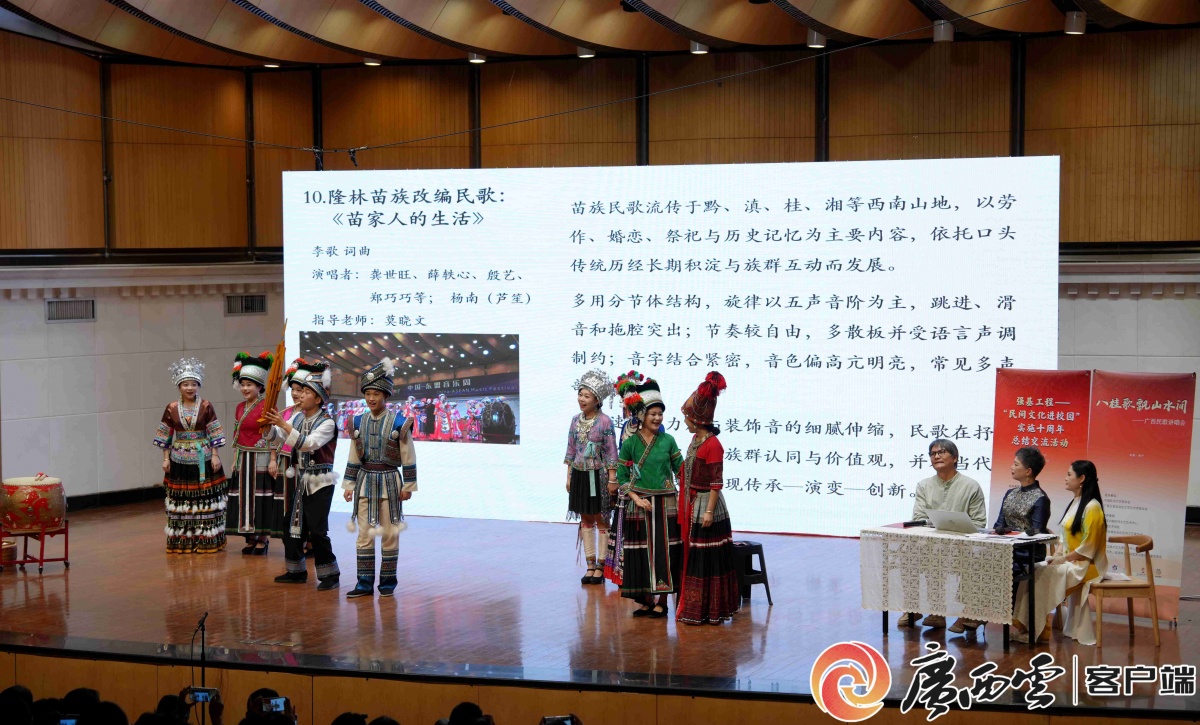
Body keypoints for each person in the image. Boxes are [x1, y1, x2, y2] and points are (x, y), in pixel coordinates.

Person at [946, 446, 1053, 635]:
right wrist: (999, 531)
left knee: (991, 567)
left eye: (1016, 464)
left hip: (1026, 553)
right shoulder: (1010, 494)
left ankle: (977, 614)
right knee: (971, 562)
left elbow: (1036, 532)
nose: (1012, 467)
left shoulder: (1041, 499)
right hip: (1004, 549)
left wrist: (1009, 533)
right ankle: (970, 611)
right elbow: (999, 524)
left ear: (1028, 471)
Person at [342, 358, 418, 599]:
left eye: (376, 394)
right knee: (364, 534)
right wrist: (348, 485)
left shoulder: (399, 422)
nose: (371, 398)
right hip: (365, 481)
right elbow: (354, 454)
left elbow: (408, 454)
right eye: (368, 394)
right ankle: (364, 583)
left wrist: (408, 486)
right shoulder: (357, 421)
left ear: (386, 395)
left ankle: (387, 583)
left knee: (389, 533)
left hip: (390, 482)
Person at [263, 361, 341, 590]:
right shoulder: (298, 418)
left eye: (306, 392)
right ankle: (296, 572)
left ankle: (330, 575)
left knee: (317, 530)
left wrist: (283, 426)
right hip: (303, 480)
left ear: (318, 399)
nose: (300, 395)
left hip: (321, 482)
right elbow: (280, 435)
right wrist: (269, 429)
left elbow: (307, 443)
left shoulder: (327, 423)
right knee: (291, 526)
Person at [1013, 460, 1108, 644]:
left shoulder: (1092, 507)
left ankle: (1038, 630)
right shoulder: (1076, 502)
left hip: (1087, 566)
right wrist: (1056, 557)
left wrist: (1063, 559)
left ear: (1081, 478)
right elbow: (1065, 539)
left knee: (1041, 578)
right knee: (1031, 571)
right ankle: (1025, 626)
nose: (1065, 478)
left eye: (1069, 475)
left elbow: (1088, 548)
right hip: (1072, 561)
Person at [899, 438, 987, 630]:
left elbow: (980, 522)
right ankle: (914, 608)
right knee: (907, 553)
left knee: (971, 558)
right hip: (931, 543)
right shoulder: (924, 485)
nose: (936, 456)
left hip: (961, 545)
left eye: (941, 452)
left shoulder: (971, 486)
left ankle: (963, 613)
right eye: (933, 454)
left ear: (955, 458)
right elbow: (919, 518)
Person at [616, 376, 684, 619]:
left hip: (666, 504)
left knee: (665, 553)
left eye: (660, 414)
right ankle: (645, 600)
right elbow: (622, 476)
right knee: (640, 553)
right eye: (653, 414)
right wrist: (635, 498)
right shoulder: (630, 444)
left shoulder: (668, 441)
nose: (657, 418)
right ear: (642, 415)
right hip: (639, 504)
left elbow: (681, 470)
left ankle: (662, 602)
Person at [676, 372, 740, 626]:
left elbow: (716, 482)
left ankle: (710, 611)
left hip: (707, 504)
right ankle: (695, 609)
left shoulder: (713, 445)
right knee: (696, 558)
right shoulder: (696, 440)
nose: (685, 423)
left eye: (687, 418)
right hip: (695, 503)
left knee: (707, 560)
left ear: (696, 419)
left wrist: (709, 512)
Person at [154, 357, 228, 554]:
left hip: (204, 457)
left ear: (198, 385)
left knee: (205, 499)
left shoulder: (206, 406)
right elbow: (165, 433)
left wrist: (215, 455)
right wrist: (165, 458)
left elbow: (214, 431)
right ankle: (184, 540)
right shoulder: (171, 408)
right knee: (182, 499)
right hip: (179, 459)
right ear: (179, 386)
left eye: (193, 384)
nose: (190, 388)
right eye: (186, 384)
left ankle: (207, 539)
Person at [226, 352, 285, 555]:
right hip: (244, 457)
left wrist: (273, 459)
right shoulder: (239, 407)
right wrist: (235, 458)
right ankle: (250, 536)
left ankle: (262, 538)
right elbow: (237, 433)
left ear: (259, 386)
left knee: (261, 497)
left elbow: (274, 433)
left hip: (261, 456)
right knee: (245, 497)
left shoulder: (267, 406)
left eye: (249, 385)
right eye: (243, 384)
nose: (245, 388)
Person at [565, 369, 619, 585]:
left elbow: (612, 452)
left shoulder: (605, 421)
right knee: (585, 519)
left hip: (599, 476)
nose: (581, 399)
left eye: (586, 396)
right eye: (580, 394)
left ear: (597, 400)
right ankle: (589, 564)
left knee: (601, 519)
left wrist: (612, 480)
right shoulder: (574, 420)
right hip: (579, 474)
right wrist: (569, 476)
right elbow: (571, 449)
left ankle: (601, 566)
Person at [603, 371, 645, 586]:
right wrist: (619, 479)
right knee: (623, 529)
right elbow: (621, 454)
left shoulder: (652, 426)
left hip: (645, 485)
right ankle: (623, 573)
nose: (624, 406)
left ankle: (641, 574)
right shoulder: (626, 426)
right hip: (626, 485)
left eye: (626, 401)